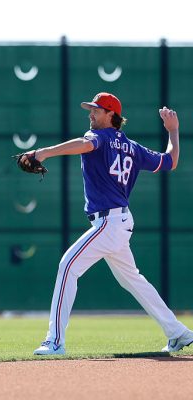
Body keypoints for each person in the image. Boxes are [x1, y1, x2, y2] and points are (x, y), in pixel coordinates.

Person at [21, 92, 193, 356]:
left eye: (96, 110)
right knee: (134, 281)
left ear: (111, 114)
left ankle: (54, 341)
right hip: (119, 222)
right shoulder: (133, 148)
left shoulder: (98, 138)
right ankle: (178, 333)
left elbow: (85, 144)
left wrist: (43, 153)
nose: (91, 114)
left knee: (67, 266)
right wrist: (174, 131)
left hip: (109, 223)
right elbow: (170, 161)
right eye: (91, 109)